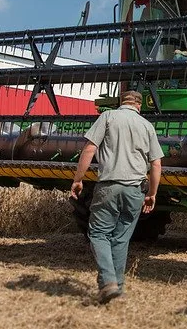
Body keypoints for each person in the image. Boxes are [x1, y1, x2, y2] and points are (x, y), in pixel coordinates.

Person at [69, 90, 164, 304]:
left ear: (122, 102)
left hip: (109, 186)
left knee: (99, 234)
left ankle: (109, 281)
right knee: (121, 238)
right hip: (135, 190)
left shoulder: (108, 117)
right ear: (139, 106)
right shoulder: (147, 126)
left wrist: (78, 179)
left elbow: (89, 149)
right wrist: (152, 193)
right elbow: (156, 163)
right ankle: (117, 288)